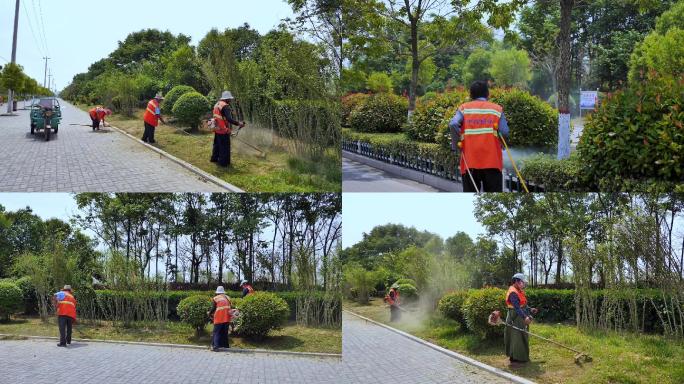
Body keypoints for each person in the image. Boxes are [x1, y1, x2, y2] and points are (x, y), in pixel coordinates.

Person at [449, 80, 510, 192]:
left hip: (470, 162)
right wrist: (502, 144)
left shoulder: (464, 109)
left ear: (471, 95)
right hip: (492, 163)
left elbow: (453, 124)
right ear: (488, 94)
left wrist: (456, 145)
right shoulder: (496, 109)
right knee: (493, 203)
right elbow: (505, 132)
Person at [504, 273, 538, 365]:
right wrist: (525, 317)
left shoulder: (519, 290)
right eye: (522, 282)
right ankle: (515, 359)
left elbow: (523, 304)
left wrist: (530, 309)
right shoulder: (513, 292)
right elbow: (517, 307)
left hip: (521, 316)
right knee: (516, 338)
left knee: (522, 336)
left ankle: (522, 357)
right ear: (517, 281)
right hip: (515, 318)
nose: (524, 284)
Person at [210, 91, 245, 167]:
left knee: (217, 145)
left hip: (217, 128)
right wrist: (239, 123)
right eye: (229, 99)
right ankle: (223, 163)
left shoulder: (217, 104)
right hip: (223, 129)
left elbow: (219, 116)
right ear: (227, 99)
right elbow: (229, 119)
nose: (230, 100)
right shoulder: (225, 106)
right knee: (224, 147)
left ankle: (214, 159)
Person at [208, 286, 232, 352]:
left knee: (216, 332)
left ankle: (215, 347)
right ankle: (225, 346)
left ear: (217, 292)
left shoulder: (216, 298)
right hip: (227, 318)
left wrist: (209, 313)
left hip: (219, 318)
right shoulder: (228, 298)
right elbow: (230, 307)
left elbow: (213, 308)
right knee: (224, 332)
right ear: (223, 292)